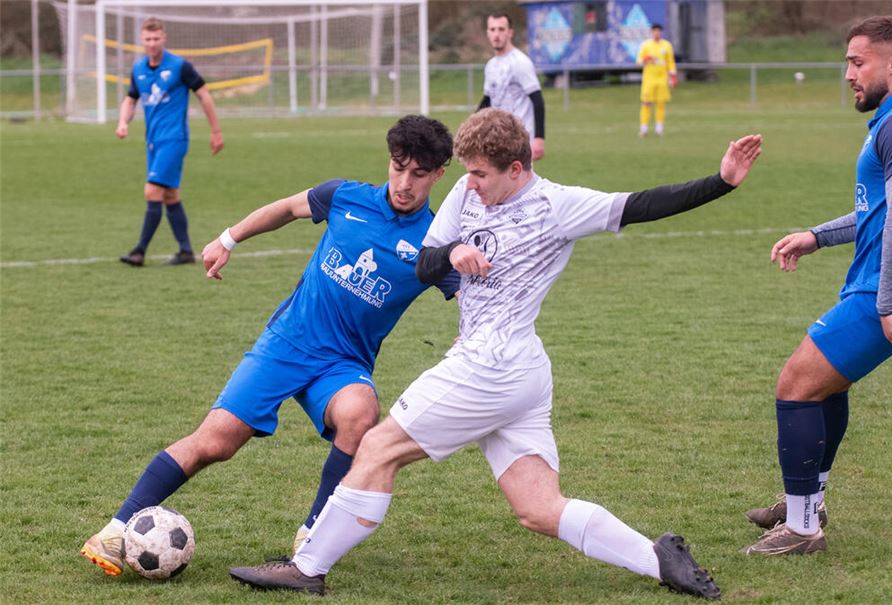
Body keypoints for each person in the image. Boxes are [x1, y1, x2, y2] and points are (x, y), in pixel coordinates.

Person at [228, 108, 763, 600]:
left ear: (516, 169)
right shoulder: (465, 191)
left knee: (378, 448)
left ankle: (308, 567)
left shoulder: (557, 206)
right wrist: (453, 252)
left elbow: (644, 204)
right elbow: (425, 264)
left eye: (482, 175)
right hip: (518, 371)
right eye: (468, 173)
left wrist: (721, 182)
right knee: (538, 509)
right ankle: (658, 559)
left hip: (491, 366)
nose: (471, 184)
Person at [80, 115, 459, 576]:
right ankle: (116, 528)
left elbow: (469, 299)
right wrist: (228, 238)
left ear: (439, 175)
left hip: (342, 364)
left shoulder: (434, 244)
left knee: (360, 412)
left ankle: (313, 534)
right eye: (399, 167)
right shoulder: (345, 197)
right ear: (389, 161)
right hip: (287, 343)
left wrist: (471, 340)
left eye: (419, 174)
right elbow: (286, 208)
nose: (404, 183)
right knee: (216, 442)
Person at [743, 16, 892, 556]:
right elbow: (881, 211)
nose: (849, 75)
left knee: (795, 384)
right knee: (825, 386)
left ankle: (802, 528)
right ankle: (806, 501)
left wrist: (887, 303)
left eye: (858, 63)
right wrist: (817, 236)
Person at [116, 17, 224, 267]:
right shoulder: (138, 69)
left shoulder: (179, 66)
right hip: (152, 141)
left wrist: (216, 131)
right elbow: (131, 99)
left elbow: (204, 95)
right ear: (142, 40)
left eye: (156, 38)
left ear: (164, 38)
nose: (152, 43)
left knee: (152, 190)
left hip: (174, 139)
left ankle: (139, 251)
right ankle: (185, 251)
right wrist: (123, 122)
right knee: (170, 195)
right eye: (148, 39)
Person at [478, 13, 546, 161]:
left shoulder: (520, 62)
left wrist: (539, 138)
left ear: (510, 32)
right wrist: (471, 127)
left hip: (519, 140)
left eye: (501, 29)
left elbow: (537, 99)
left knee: (517, 176)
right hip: (497, 138)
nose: (496, 34)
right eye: (492, 29)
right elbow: (487, 100)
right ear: (487, 33)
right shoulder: (491, 65)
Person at [636, 24, 678, 137]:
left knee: (660, 103)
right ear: (651, 32)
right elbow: (639, 61)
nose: (656, 33)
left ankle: (659, 129)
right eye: (654, 31)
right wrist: (646, 59)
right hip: (649, 79)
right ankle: (644, 129)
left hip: (662, 79)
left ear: (661, 32)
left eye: (658, 31)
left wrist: (673, 76)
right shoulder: (646, 45)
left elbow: (670, 62)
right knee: (646, 103)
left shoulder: (666, 45)